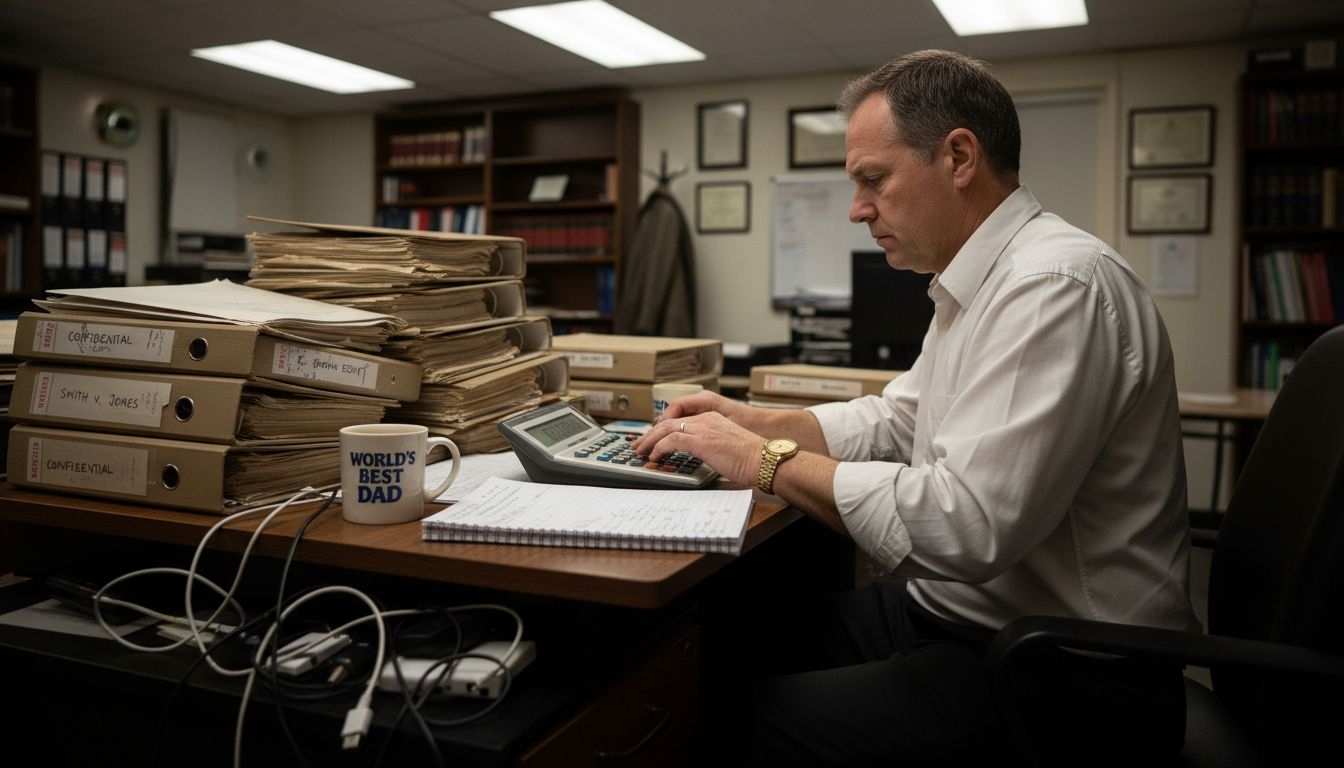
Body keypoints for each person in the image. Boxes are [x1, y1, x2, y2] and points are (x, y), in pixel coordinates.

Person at [632, 49, 1199, 766]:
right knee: (713, 650)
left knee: (724, 724)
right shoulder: (977, 281)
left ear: (958, 157)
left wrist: (764, 460)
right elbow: (897, 419)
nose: (857, 208)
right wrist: (747, 420)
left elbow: (968, 524)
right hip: (969, 616)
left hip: (1072, 675)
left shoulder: (1054, 286)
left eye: (873, 179)